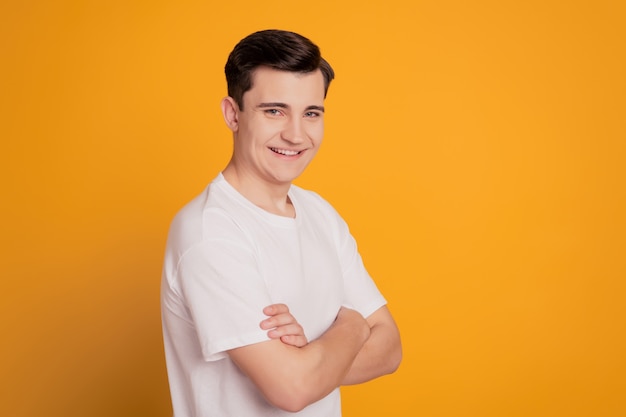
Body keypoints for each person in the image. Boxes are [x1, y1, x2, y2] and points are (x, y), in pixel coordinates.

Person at [161, 29, 402, 417]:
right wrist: (354, 326)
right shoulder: (210, 233)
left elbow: (390, 349)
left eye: (311, 113)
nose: (295, 134)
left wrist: (310, 361)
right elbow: (291, 389)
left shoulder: (320, 213)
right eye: (274, 110)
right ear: (232, 114)